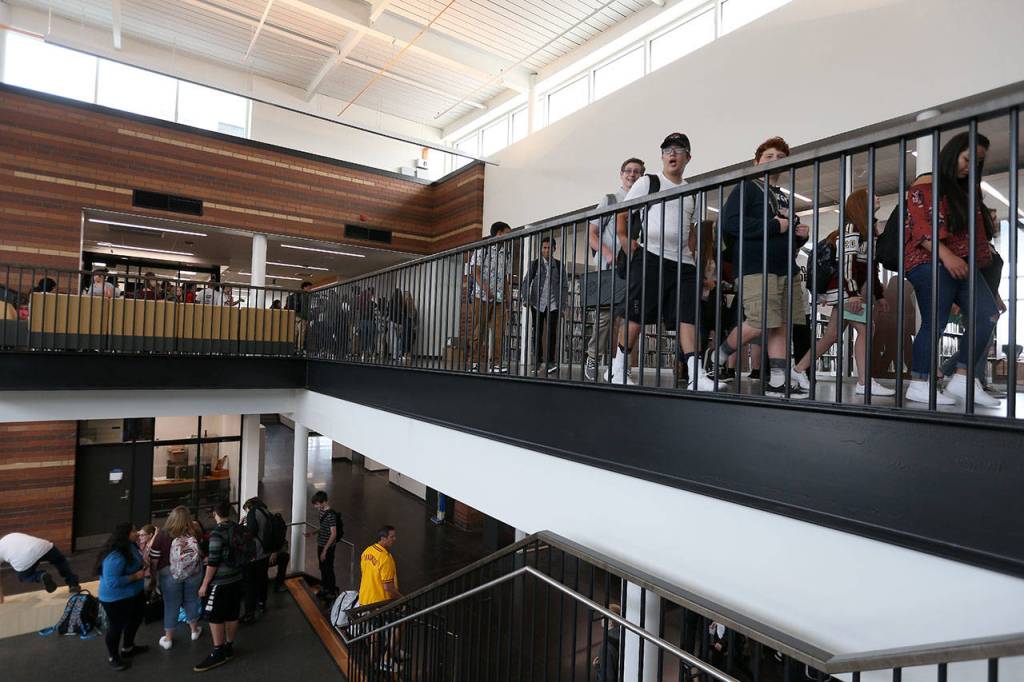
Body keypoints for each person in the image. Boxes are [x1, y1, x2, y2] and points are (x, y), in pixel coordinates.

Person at [608, 132, 714, 390]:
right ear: (662, 157)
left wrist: (699, 263)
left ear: (688, 157)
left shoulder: (692, 192)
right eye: (667, 151)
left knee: (688, 317)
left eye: (678, 150)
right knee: (636, 315)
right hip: (651, 256)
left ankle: (695, 375)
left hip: (684, 263)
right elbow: (623, 212)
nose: (672, 154)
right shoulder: (648, 182)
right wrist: (624, 239)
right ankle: (619, 368)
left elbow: (692, 231)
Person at [903, 131, 1000, 407]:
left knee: (987, 314)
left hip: (960, 263)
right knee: (936, 321)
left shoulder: (967, 190)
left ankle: (963, 378)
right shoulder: (927, 183)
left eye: (977, 163)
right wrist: (947, 256)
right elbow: (921, 229)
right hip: (930, 259)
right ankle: (919, 383)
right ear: (953, 153)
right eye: (968, 159)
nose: (970, 167)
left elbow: (974, 236)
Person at [711, 136, 810, 397]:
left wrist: (799, 235)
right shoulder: (748, 186)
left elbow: (786, 235)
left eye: (780, 157)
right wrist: (775, 226)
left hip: (785, 267)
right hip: (756, 265)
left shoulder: (784, 198)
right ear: (756, 162)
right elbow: (730, 223)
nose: (775, 160)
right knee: (760, 321)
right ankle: (719, 354)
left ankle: (778, 379)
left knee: (782, 324)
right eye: (769, 156)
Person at [792, 189, 896, 397]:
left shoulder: (869, 230)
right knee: (867, 329)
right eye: (871, 195)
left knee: (831, 335)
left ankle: (797, 370)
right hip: (845, 290)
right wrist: (853, 293)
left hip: (847, 290)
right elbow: (846, 265)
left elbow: (870, 267)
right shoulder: (852, 228)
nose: (877, 196)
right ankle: (865, 383)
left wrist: (879, 294)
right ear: (860, 203)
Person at [584, 157, 645, 381]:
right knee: (605, 318)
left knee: (631, 316)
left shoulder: (645, 203)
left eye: (637, 172)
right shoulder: (610, 200)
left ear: (642, 176)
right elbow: (592, 233)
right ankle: (593, 355)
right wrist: (609, 255)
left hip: (634, 267)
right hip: (609, 267)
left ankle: (621, 363)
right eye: (628, 171)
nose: (632, 175)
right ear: (621, 174)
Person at [195, 501, 244, 672]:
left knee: (214, 615)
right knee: (232, 613)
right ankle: (229, 646)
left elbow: (214, 561)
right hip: (237, 577)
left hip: (220, 582)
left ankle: (218, 651)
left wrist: (204, 584)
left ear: (215, 513)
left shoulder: (217, 533)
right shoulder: (238, 528)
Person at [149, 506, 203, 650]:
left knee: (171, 605)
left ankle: (168, 639)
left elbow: (154, 560)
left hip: (169, 574)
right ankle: (194, 631)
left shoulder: (162, 535)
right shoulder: (194, 532)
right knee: (191, 599)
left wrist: (154, 578)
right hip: (193, 572)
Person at [97, 522, 149, 671]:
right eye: (134, 531)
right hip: (116, 599)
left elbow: (136, 560)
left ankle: (128, 647)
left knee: (136, 618)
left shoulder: (130, 546)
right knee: (116, 627)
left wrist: (142, 564)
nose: (138, 533)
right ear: (125, 535)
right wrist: (135, 576)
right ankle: (113, 657)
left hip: (133, 594)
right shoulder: (115, 556)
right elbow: (112, 582)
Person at [468, 221, 513, 373]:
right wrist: (485, 288)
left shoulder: (506, 253)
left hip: (499, 300)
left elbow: (506, 280)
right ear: (499, 233)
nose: (510, 236)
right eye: (508, 233)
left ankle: (496, 363)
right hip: (481, 297)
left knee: (499, 332)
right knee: (478, 330)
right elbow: (476, 271)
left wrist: (508, 301)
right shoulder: (483, 248)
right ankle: (473, 361)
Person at [358, 525, 402, 671]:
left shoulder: (367, 551)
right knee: (400, 624)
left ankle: (371, 664)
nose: (394, 539)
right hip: (380, 602)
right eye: (392, 537)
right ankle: (386, 658)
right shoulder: (386, 558)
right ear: (383, 538)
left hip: (365, 599)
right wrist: (402, 599)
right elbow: (388, 587)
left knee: (375, 633)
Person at [523, 236, 567, 376]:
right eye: (544, 248)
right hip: (537, 304)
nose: (546, 250)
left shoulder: (560, 265)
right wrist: (526, 298)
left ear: (554, 249)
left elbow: (564, 286)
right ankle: (537, 362)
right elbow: (526, 282)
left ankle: (550, 363)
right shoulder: (535, 264)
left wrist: (563, 305)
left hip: (553, 305)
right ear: (541, 249)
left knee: (552, 333)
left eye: (549, 248)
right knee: (537, 332)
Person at [0, 532, 80, 594]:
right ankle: (73, 584)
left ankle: (40, 576)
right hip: (42, 546)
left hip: (23, 559)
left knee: (23, 577)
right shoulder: (11, 535)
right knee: (59, 560)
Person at [306, 491, 341, 602]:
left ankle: (331, 591)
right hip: (321, 544)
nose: (316, 507)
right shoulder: (322, 511)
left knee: (328, 568)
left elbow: (333, 533)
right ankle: (325, 588)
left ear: (324, 502)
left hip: (328, 547)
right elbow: (323, 527)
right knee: (322, 568)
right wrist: (313, 533)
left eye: (317, 504)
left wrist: (325, 550)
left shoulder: (331, 515)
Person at [240, 497, 271, 623]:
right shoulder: (266, 512)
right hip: (265, 552)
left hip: (255, 554)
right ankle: (262, 603)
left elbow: (250, 533)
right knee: (262, 579)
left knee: (249, 583)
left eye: (246, 509)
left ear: (250, 506)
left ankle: (249, 613)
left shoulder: (253, 512)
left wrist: (241, 526)